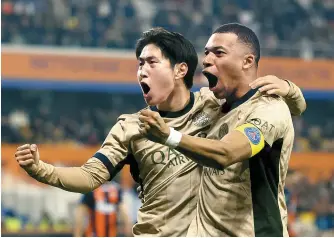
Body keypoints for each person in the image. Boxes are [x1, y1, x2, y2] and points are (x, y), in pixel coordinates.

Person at [14, 27, 305, 237]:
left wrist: (292, 91)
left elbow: (258, 109)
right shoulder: (131, 127)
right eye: (139, 64)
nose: (141, 71)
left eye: (151, 62)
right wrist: (43, 170)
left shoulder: (212, 105)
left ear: (180, 70)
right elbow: (90, 176)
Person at [138, 23, 303, 236]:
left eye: (219, 53)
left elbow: (226, 153)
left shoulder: (268, 109)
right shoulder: (211, 102)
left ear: (247, 61)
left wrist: (169, 136)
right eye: (206, 53)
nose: (206, 60)